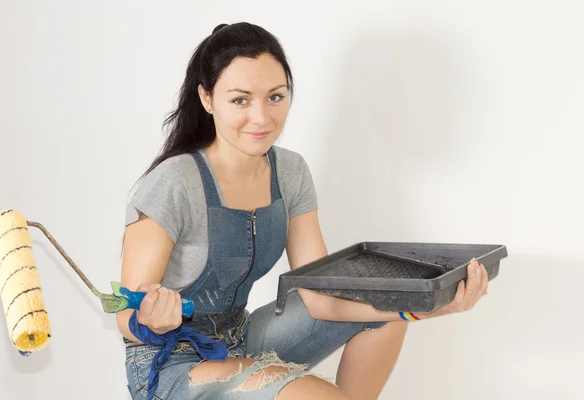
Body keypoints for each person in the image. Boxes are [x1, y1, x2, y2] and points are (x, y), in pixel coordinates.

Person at [116, 22, 489, 400]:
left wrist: (424, 309)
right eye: (240, 100)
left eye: (275, 97)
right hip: (171, 362)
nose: (261, 118)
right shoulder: (173, 183)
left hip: (239, 338)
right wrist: (147, 318)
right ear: (207, 98)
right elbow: (124, 318)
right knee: (315, 394)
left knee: (387, 313)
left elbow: (319, 297)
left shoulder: (290, 171)